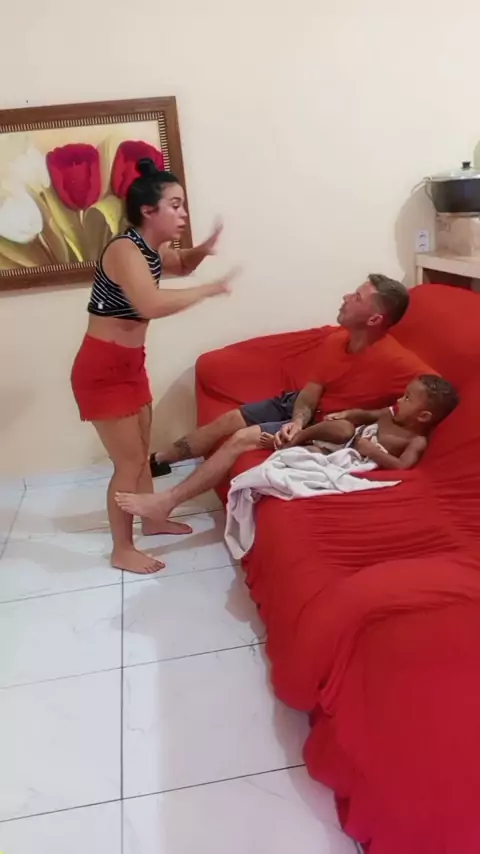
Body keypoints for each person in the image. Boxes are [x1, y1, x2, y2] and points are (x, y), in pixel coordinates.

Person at [115, 275, 436, 524]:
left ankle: (166, 503)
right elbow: (309, 394)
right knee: (228, 420)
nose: (345, 298)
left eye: (357, 298)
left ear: (375, 319)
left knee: (241, 438)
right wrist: (297, 420)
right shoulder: (337, 341)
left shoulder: (398, 362)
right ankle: (155, 462)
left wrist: (379, 419)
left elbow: (437, 394)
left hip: (327, 426)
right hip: (302, 407)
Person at [71, 157, 236, 575]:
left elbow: (181, 263)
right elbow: (151, 304)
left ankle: (152, 519)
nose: (183, 214)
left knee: (141, 454)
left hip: (129, 364)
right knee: (127, 464)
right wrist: (207, 291)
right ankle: (122, 549)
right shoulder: (125, 250)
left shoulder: (151, 249)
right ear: (148, 210)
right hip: (102, 369)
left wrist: (203, 250)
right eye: (175, 205)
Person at [258, 374, 458, 470]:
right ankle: (297, 437)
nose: (399, 400)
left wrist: (372, 452)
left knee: (312, 454)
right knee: (344, 428)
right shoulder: (389, 413)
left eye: (407, 398)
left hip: (354, 457)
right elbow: (366, 415)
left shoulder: (416, 440)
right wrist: (347, 414)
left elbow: (402, 466)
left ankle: (285, 447)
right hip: (347, 437)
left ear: (423, 416)